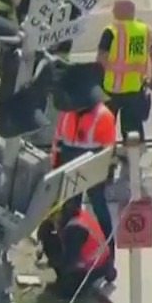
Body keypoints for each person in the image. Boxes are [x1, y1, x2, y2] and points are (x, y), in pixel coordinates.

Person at [50, 65, 118, 276]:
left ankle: (108, 259)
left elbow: (108, 152)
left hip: (93, 172)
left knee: (100, 212)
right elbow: (58, 143)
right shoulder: (66, 115)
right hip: (70, 171)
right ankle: (69, 257)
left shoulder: (103, 116)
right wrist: (55, 168)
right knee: (69, 214)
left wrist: (105, 176)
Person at [98, 0, 152, 142]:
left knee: (105, 128)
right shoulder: (147, 31)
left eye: (114, 9)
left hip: (110, 89)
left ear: (117, 12)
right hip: (135, 89)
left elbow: (101, 60)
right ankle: (133, 158)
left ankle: (108, 157)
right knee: (133, 129)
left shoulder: (110, 31)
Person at [37, 202, 114, 298]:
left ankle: (70, 286)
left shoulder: (75, 229)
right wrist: (40, 245)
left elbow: (69, 261)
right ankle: (64, 278)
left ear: (59, 214)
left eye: (53, 217)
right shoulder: (74, 214)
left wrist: (48, 264)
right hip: (88, 257)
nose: (52, 220)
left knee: (66, 290)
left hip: (93, 266)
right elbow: (45, 228)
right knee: (47, 229)